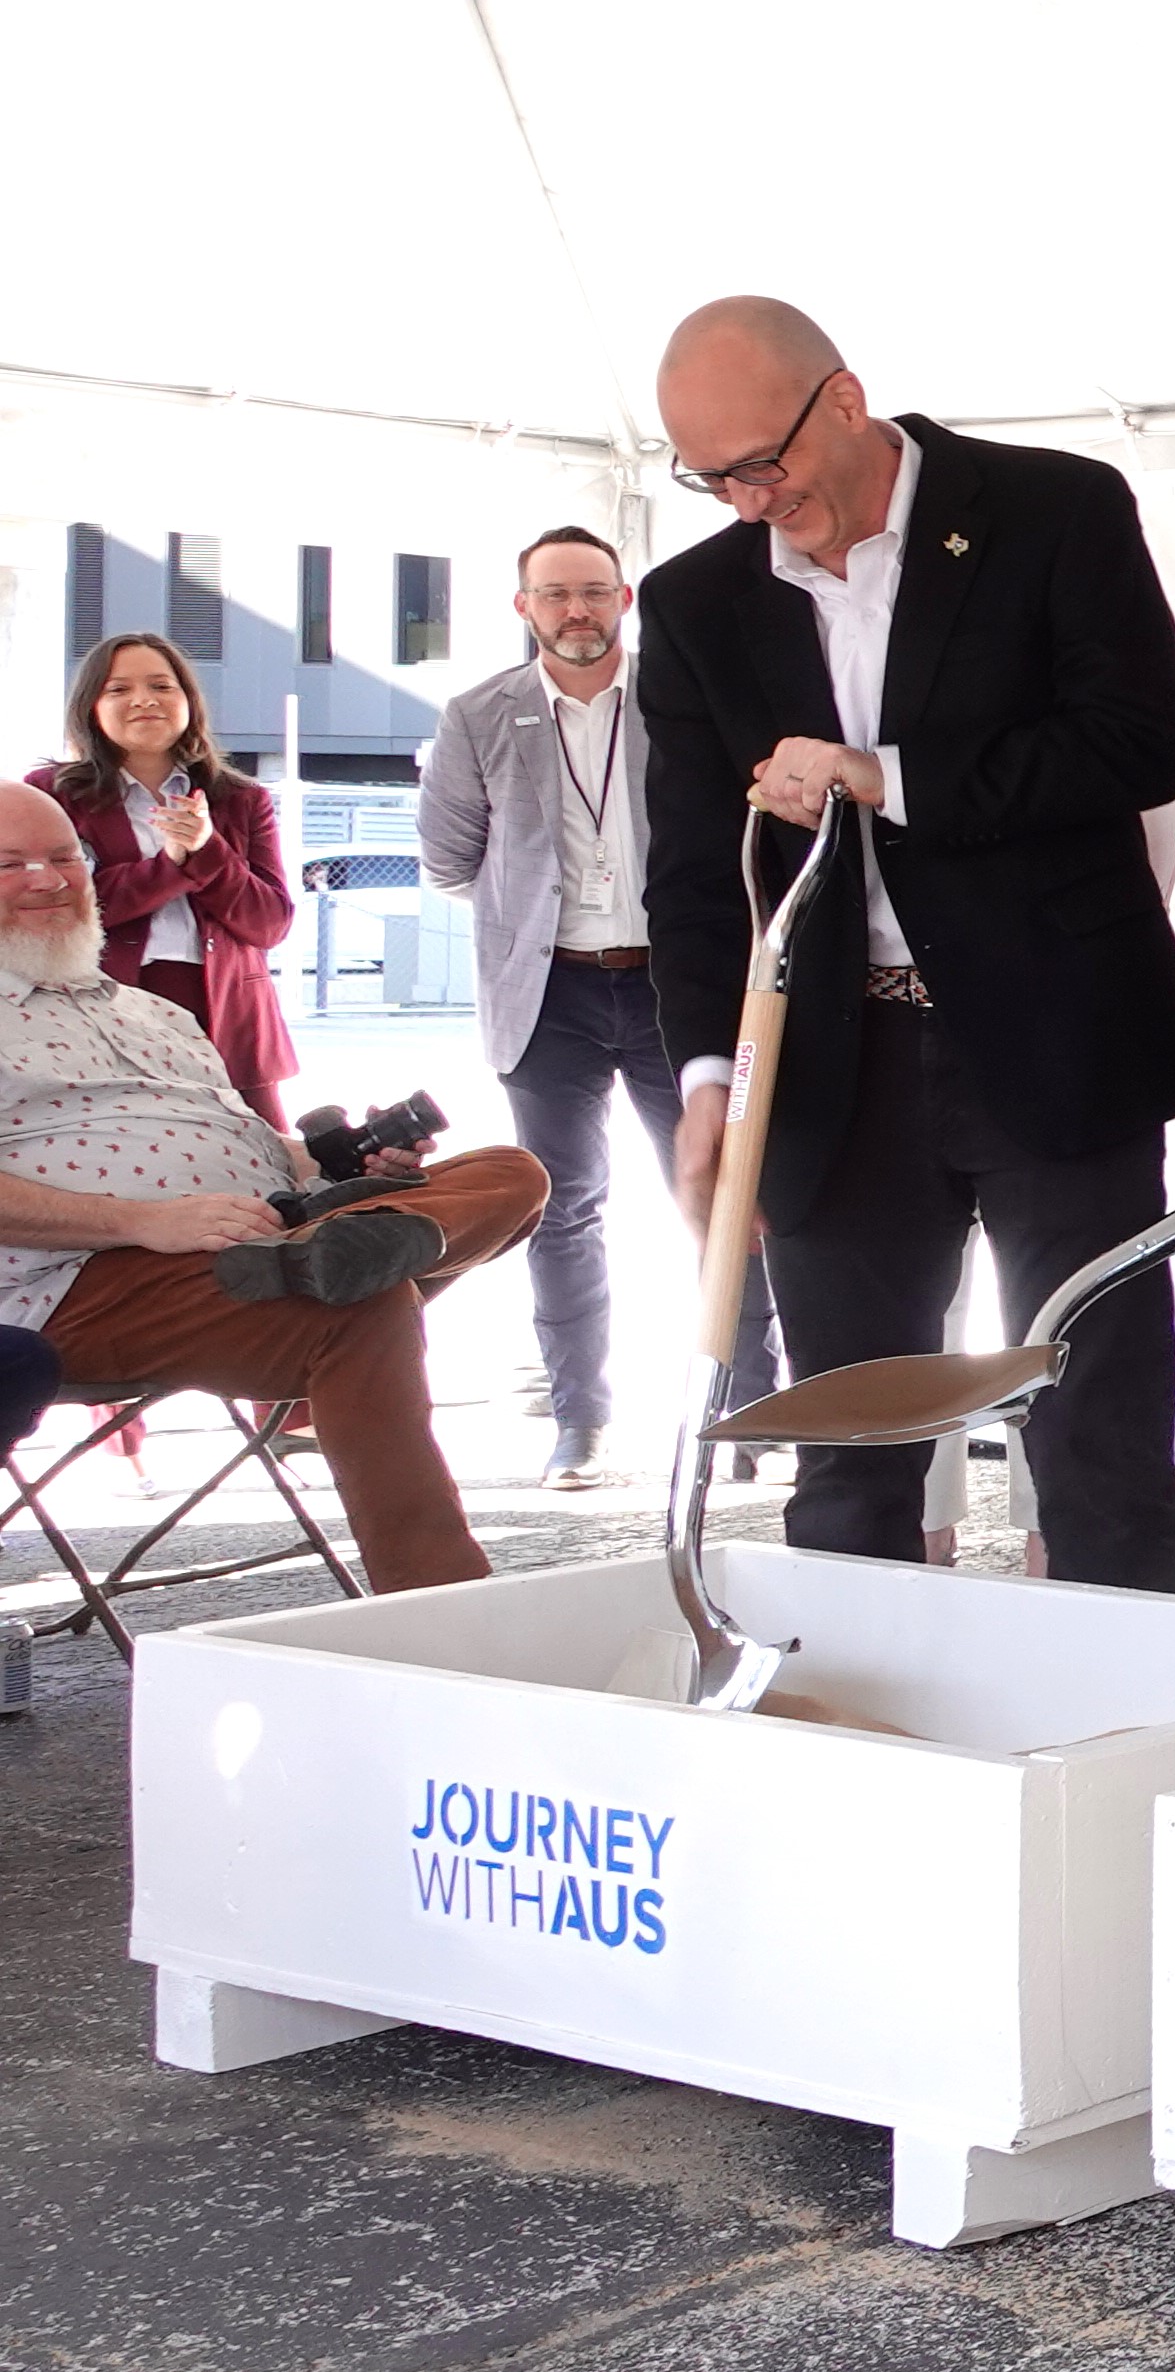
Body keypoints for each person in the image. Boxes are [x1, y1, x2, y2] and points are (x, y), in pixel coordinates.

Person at [640, 295, 1175, 1590]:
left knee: (1099, 1429)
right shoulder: (695, 603)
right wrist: (710, 1083)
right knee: (848, 1444)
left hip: (1057, 1037)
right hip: (836, 1068)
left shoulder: (1053, 509)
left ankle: (1126, 1746)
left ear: (844, 399)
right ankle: (854, 1747)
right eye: (711, 476)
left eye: (762, 462)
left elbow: (1141, 743)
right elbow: (688, 875)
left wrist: (887, 777)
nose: (745, 500)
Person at [0, 778, 542, 1587]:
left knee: (513, 1172)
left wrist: (334, 1165)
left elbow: (241, 1143)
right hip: (87, 1280)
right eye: (10, 864)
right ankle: (441, 1600)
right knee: (363, 1307)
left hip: (263, 1228)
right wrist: (144, 1223)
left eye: (63, 857)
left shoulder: (149, 1012)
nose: (49, 879)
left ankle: (342, 1245)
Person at [421, 527, 777, 1488]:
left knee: (721, 1194)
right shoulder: (478, 714)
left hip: (680, 984)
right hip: (550, 993)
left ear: (623, 601)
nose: (574, 611)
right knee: (561, 1209)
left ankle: (748, 1403)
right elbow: (449, 860)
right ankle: (581, 1421)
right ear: (523, 607)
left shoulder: (678, 690)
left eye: (593, 592)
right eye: (553, 595)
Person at [43, 633, 295, 1130]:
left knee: (267, 1166)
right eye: (118, 689)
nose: (143, 699)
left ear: (188, 701)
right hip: (110, 1005)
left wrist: (207, 849)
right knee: (130, 1155)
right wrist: (173, 865)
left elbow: (269, 924)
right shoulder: (51, 796)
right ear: (91, 706)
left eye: (161, 685)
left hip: (227, 1011)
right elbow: (65, 909)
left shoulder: (241, 799)